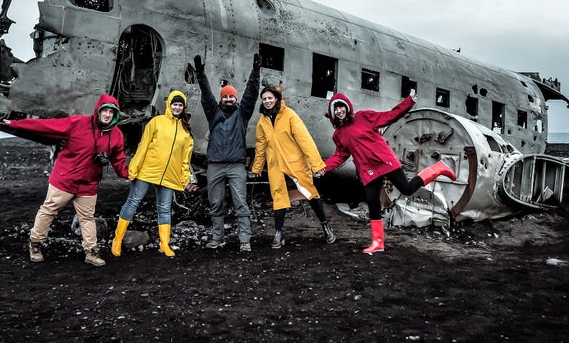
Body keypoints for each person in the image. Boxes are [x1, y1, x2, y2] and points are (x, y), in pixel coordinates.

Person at [318, 91, 456, 254]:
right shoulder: (338, 135)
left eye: (341, 107)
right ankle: (378, 243)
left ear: (347, 107)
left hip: (384, 161)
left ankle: (438, 168)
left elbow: (389, 116)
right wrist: (323, 167)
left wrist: (409, 101)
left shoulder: (363, 117)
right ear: (333, 113)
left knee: (407, 189)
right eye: (336, 109)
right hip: (368, 170)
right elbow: (340, 156)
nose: (339, 111)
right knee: (372, 202)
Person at [4, 94, 129, 267]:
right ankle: (35, 245)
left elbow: (118, 160)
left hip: (88, 183)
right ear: (98, 110)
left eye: (111, 112)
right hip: (65, 179)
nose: (107, 115)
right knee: (49, 211)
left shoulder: (116, 135)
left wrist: (129, 175)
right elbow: (46, 126)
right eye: (105, 110)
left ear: (115, 114)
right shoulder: (77, 123)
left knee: (87, 218)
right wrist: (17, 124)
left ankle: (91, 252)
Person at [111, 90, 197, 257]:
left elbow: (185, 161)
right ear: (169, 105)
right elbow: (143, 147)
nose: (177, 107)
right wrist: (133, 169)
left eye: (180, 105)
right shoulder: (156, 122)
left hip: (169, 176)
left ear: (183, 108)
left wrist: (185, 180)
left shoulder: (186, 131)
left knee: (164, 209)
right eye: (175, 104)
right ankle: (117, 239)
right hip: (147, 171)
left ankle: (164, 244)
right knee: (133, 202)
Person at [250, 85, 336, 249]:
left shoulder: (289, 115)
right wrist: (257, 167)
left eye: (270, 98)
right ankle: (279, 232)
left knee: (309, 192)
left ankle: (325, 226)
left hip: (295, 163)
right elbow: (261, 145)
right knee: (279, 196)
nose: (267, 101)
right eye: (264, 99)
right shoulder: (263, 121)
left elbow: (305, 140)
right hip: (275, 165)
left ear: (276, 98)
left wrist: (317, 164)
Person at [192, 52, 262, 252]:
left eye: (232, 96)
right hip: (214, 165)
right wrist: (200, 74)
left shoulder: (242, 114)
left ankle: (244, 240)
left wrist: (255, 72)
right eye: (226, 96)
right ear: (222, 98)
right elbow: (206, 95)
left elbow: (251, 94)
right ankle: (217, 237)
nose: (229, 99)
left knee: (241, 202)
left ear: (236, 98)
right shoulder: (214, 113)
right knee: (215, 202)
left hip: (236, 165)